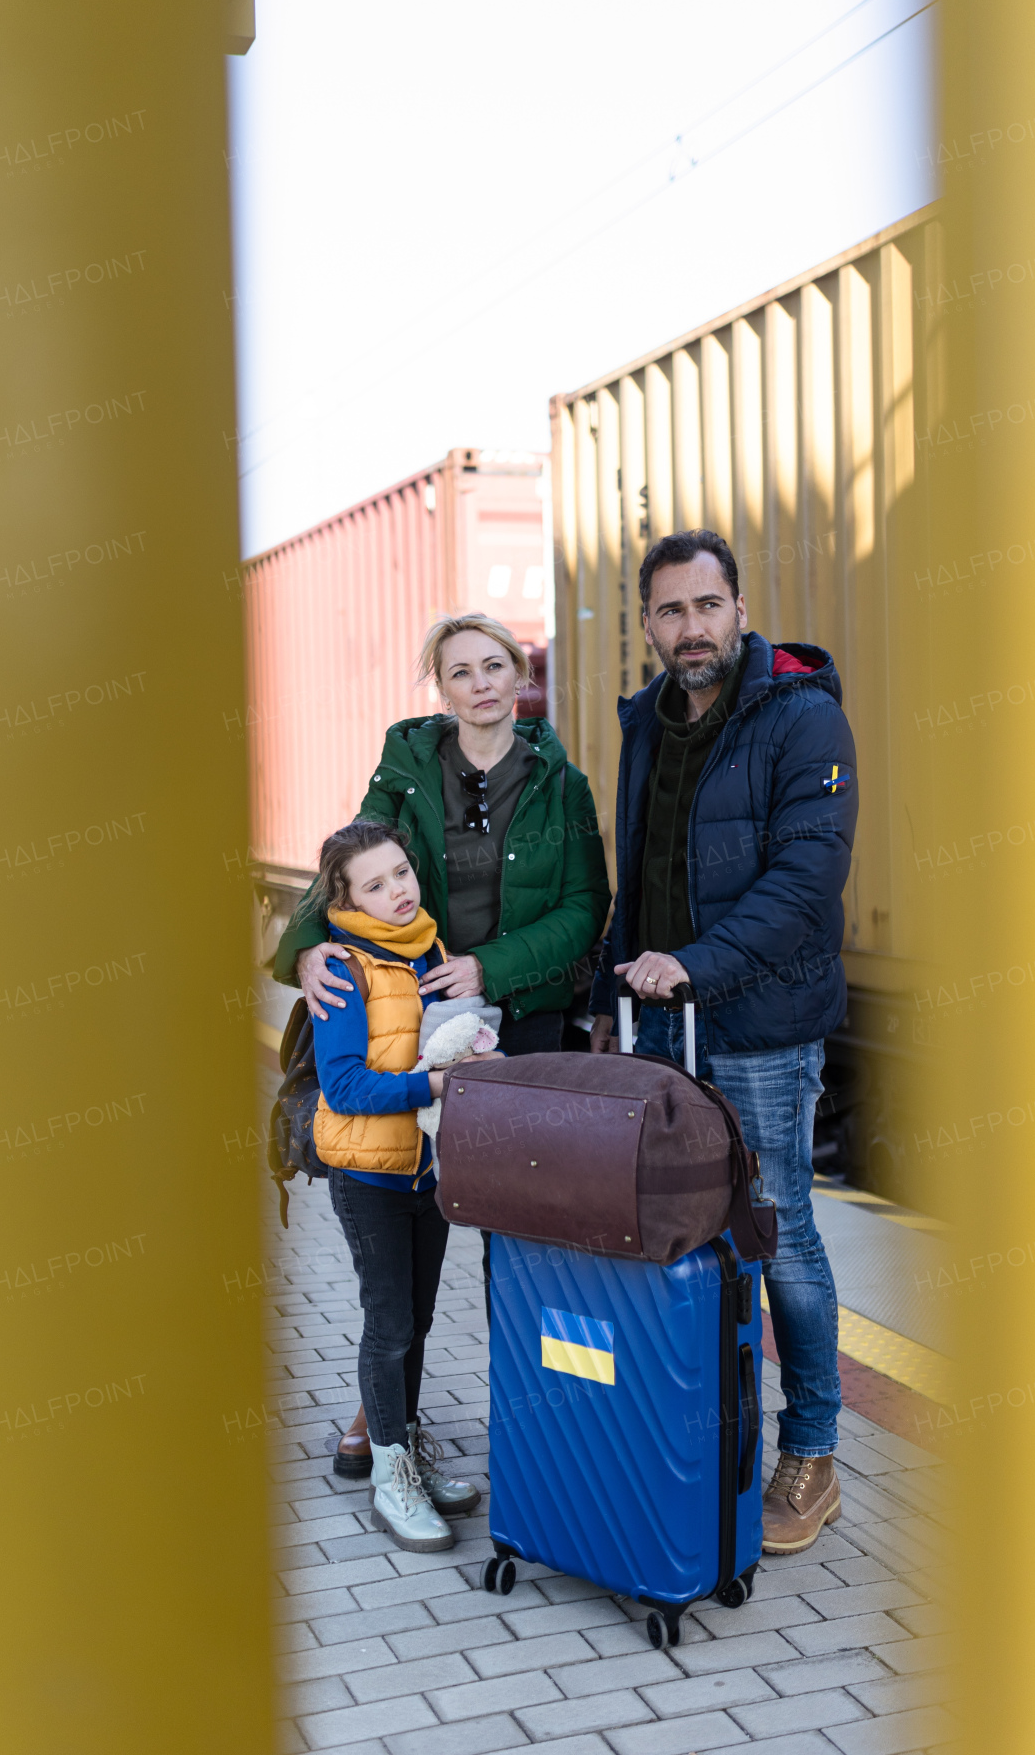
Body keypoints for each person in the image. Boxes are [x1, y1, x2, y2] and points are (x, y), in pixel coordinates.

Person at [274, 611, 611, 1474]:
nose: (482, 683)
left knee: (516, 1225)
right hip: (408, 1025)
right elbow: (350, 856)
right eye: (460, 671)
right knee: (403, 1225)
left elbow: (584, 910)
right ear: (442, 687)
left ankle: (531, 1419)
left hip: (517, 1024)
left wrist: (488, 968)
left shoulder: (559, 782)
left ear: (519, 675)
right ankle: (384, 1410)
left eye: (496, 665)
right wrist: (308, 944)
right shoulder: (410, 767)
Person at [588, 528, 858, 1555]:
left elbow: (803, 883)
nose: (687, 628)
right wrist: (613, 972)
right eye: (667, 611)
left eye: (705, 606)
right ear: (646, 623)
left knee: (773, 1225)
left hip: (754, 1024)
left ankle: (814, 1451)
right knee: (685, 1229)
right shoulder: (646, 722)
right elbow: (645, 865)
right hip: (658, 1019)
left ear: (738, 610)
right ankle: (708, 1435)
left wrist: (695, 963)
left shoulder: (802, 719)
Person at [309, 816, 487, 1553]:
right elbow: (345, 1086)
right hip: (368, 1177)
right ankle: (389, 1476)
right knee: (388, 1326)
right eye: (374, 885)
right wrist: (436, 1084)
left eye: (401, 874)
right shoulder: (343, 969)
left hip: (426, 1173)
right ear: (346, 900)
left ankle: (406, 1448)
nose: (396, 892)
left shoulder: (431, 953)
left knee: (416, 1321)